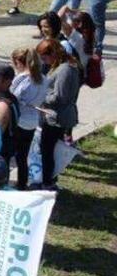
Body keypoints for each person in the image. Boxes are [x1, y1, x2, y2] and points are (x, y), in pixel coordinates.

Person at [35, 39, 80, 190]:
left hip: (57, 118)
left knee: (48, 151)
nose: (43, 61)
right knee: (50, 150)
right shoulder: (60, 66)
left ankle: (48, 182)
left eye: (44, 57)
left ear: (53, 53)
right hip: (54, 116)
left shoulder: (65, 69)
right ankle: (50, 180)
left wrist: (40, 97)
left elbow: (59, 97)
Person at [10, 48, 45, 190]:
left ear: (19, 62)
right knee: (23, 155)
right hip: (32, 121)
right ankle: (22, 183)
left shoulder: (23, 79)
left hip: (19, 120)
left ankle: (5, 182)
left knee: (9, 153)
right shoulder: (43, 78)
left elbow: (14, 97)